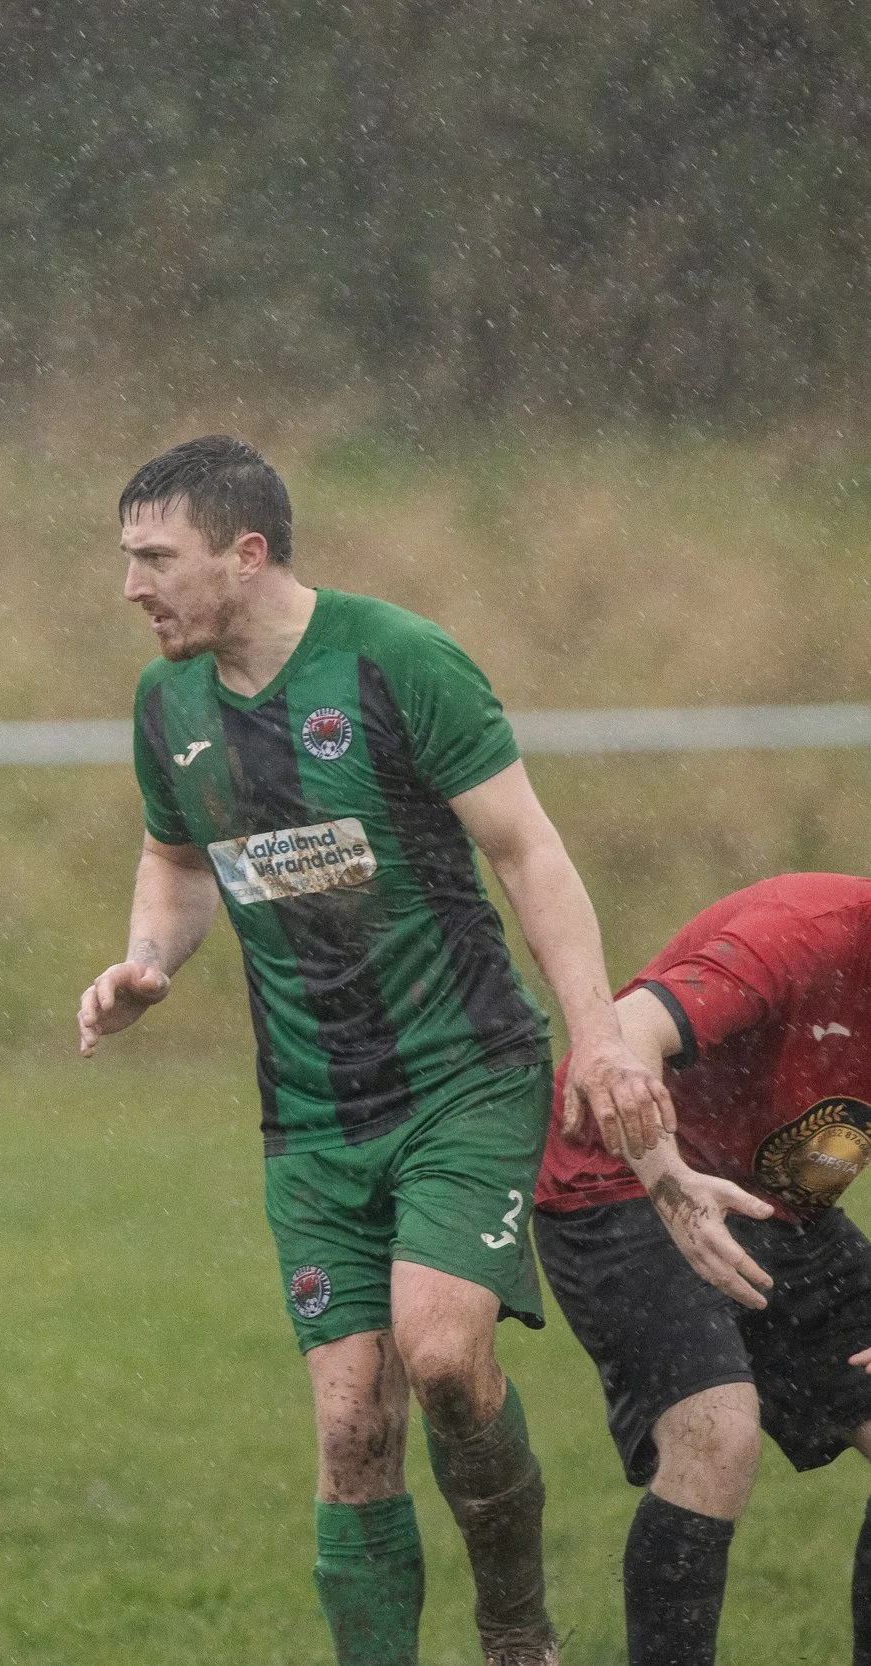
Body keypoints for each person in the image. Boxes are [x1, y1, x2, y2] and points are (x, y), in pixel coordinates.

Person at [76, 435, 672, 1666]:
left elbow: (527, 851)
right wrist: (147, 960)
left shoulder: (397, 658)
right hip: (308, 1117)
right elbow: (179, 860)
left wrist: (599, 1036)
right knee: (351, 1429)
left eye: (154, 558)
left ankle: (516, 1634)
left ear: (246, 555)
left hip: (461, 1079)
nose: (131, 586)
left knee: (444, 1354)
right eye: (125, 559)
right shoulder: (166, 703)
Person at [537, 872, 871, 1666]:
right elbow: (620, 1035)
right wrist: (672, 1187)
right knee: (716, 1435)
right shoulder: (806, 930)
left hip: (782, 1205)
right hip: (624, 1180)